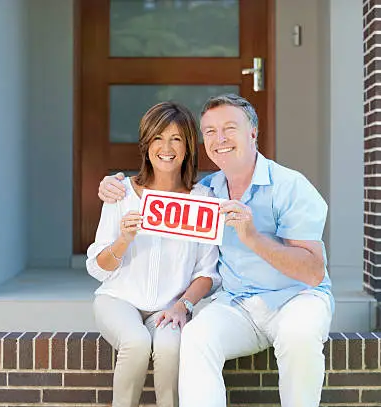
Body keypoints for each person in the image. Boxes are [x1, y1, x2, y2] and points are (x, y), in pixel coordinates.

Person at [98, 94, 333, 407]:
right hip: (238, 305)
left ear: (253, 133)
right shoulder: (208, 191)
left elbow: (314, 272)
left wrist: (253, 238)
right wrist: (114, 185)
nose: (219, 138)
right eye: (210, 131)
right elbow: (160, 191)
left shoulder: (290, 186)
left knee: (299, 335)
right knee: (195, 338)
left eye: (229, 128)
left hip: (295, 299)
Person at [87, 101, 221, 407]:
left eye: (176, 138)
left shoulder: (202, 200)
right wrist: (124, 239)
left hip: (169, 307)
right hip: (119, 300)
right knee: (135, 342)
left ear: (188, 146)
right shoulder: (120, 192)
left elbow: (207, 272)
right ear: (146, 144)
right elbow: (98, 267)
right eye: (158, 138)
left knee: (170, 349)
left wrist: (183, 306)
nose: (167, 147)